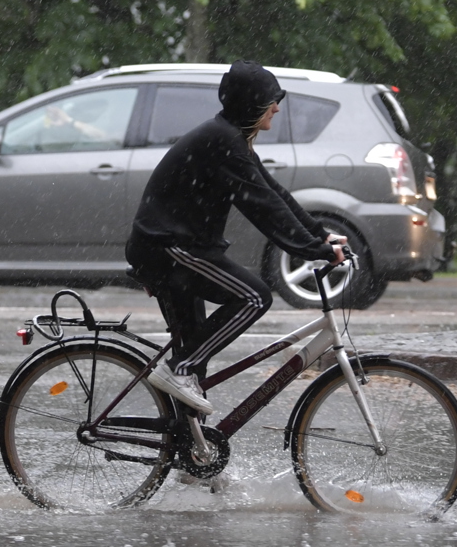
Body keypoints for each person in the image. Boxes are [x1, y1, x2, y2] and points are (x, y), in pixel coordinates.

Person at [125, 60, 348, 415]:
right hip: (168, 247)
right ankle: (178, 370)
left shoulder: (231, 138)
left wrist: (319, 234)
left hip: (179, 245)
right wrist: (313, 249)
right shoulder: (223, 140)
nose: (277, 106)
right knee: (254, 297)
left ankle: (190, 453)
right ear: (250, 104)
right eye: (270, 100)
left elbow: (274, 193)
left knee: (195, 353)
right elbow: (262, 208)